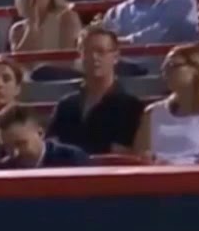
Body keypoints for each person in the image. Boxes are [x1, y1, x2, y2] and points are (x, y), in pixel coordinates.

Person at [46, 26, 145, 155]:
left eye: (101, 51)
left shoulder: (131, 107)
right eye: (87, 51)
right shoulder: (66, 105)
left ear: (115, 57)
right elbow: (51, 144)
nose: (94, 57)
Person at [134, 45, 199, 165]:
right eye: (164, 66)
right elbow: (141, 157)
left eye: (173, 65)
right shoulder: (152, 112)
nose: (165, 71)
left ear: (196, 69)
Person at [0, 103, 90, 169]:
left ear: (40, 133)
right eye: (8, 147)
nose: (15, 153)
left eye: (21, 144)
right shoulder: (4, 169)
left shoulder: (72, 159)